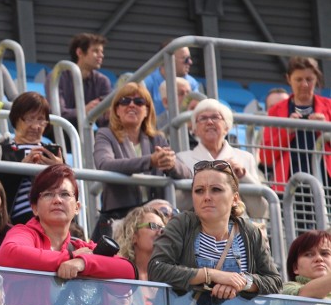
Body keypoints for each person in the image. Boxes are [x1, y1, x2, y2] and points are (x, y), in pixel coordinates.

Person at [148, 160, 282, 305]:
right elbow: (157, 268)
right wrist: (211, 275)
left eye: (216, 189)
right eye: (199, 191)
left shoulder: (250, 232)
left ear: (235, 198)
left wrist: (241, 282)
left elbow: (275, 281)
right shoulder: (181, 224)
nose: (207, 197)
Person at [0, 164, 137, 305]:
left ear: (77, 207)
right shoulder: (24, 234)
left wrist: (82, 263)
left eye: (65, 194)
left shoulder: (83, 249)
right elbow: (7, 255)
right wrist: (70, 257)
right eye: (48, 194)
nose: (57, 200)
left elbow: (128, 272)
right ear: (35, 208)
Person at [92, 82, 191, 241]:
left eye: (139, 102)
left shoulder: (156, 138)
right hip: (118, 216)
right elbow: (104, 164)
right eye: (125, 101)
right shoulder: (106, 134)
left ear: (147, 111)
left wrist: (171, 164)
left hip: (153, 220)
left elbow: (186, 174)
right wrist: (150, 161)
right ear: (116, 109)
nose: (131, 105)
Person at [176, 99, 268, 220]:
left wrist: (242, 176)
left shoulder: (245, 158)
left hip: (237, 230)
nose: (209, 122)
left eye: (215, 117)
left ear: (227, 126)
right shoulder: (182, 158)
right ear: (194, 130)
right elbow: (177, 206)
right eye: (203, 118)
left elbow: (260, 211)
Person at [260, 56, 331, 193]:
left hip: (326, 182)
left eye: (309, 79)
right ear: (288, 79)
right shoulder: (276, 110)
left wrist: (326, 129)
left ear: (316, 79)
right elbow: (266, 157)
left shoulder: (329, 106)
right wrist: (286, 132)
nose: (304, 84)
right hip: (289, 185)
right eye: (298, 79)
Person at [0, 92, 64, 225]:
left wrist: (60, 170)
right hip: (19, 219)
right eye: (30, 119)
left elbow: (70, 189)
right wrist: (22, 168)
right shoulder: (3, 151)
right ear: (16, 119)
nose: (36, 126)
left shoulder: (53, 153)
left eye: (40, 120)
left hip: (54, 216)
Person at [270, 230, 331, 305]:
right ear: (295, 267)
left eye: (325, 253)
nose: (319, 259)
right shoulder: (284, 290)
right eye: (308, 254)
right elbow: (303, 298)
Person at [112, 205, 167, 305]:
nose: (160, 232)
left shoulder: (170, 277)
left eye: (163, 228)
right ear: (133, 236)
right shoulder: (119, 278)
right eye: (153, 226)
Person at [53, 33, 111, 129]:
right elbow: (58, 114)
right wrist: (84, 110)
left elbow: (105, 121)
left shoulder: (103, 81)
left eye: (102, 51)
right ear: (79, 52)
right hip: (60, 133)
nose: (101, 55)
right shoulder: (57, 77)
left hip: (88, 134)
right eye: (96, 51)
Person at [143, 40, 202, 115]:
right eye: (185, 58)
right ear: (166, 59)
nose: (190, 62)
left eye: (189, 58)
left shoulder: (192, 83)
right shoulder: (147, 83)